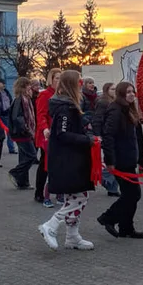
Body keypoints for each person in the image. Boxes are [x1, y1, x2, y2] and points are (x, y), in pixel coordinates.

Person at [38, 70, 96, 251]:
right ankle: (51, 225)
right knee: (79, 197)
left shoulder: (70, 106)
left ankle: (72, 237)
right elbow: (62, 134)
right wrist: (87, 140)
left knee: (75, 195)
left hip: (72, 157)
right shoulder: (64, 108)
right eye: (79, 83)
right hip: (68, 159)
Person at [97, 82, 143, 239]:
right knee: (131, 195)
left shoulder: (129, 110)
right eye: (128, 92)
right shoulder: (116, 110)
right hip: (120, 160)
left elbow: (136, 138)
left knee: (132, 194)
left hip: (129, 158)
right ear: (121, 94)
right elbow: (108, 137)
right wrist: (110, 160)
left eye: (133, 92)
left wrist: (141, 158)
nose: (132, 94)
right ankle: (108, 218)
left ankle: (126, 227)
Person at [34, 68, 61, 206]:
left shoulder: (62, 94)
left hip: (59, 134)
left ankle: (57, 191)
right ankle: (39, 192)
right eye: (57, 78)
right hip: (47, 134)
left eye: (61, 78)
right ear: (51, 79)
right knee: (45, 164)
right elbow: (41, 114)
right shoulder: (45, 95)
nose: (59, 81)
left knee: (57, 164)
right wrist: (45, 128)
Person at [8, 77, 38, 190]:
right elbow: (17, 117)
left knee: (24, 157)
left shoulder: (25, 99)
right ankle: (15, 172)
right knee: (32, 155)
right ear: (23, 87)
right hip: (22, 133)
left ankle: (23, 182)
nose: (30, 87)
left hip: (23, 132)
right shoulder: (20, 100)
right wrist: (26, 129)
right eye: (28, 85)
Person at [92, 81, 120, 198]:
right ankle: (104, 179)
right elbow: (97, 119)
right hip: (107, 135)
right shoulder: (103, 102)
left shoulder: (115, 102)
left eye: (115, 89)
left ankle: (112, 188)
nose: (115, 91)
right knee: (113, 161)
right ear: (107, 90)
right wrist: (98, 135)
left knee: (116, 161)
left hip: (115, 135)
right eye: (112, 89)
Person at [0, 80, 16, 154]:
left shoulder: (6, 92)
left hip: (7, 114)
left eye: (1, 83)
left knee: (9, 132)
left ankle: (11, 149)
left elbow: (10, 101)